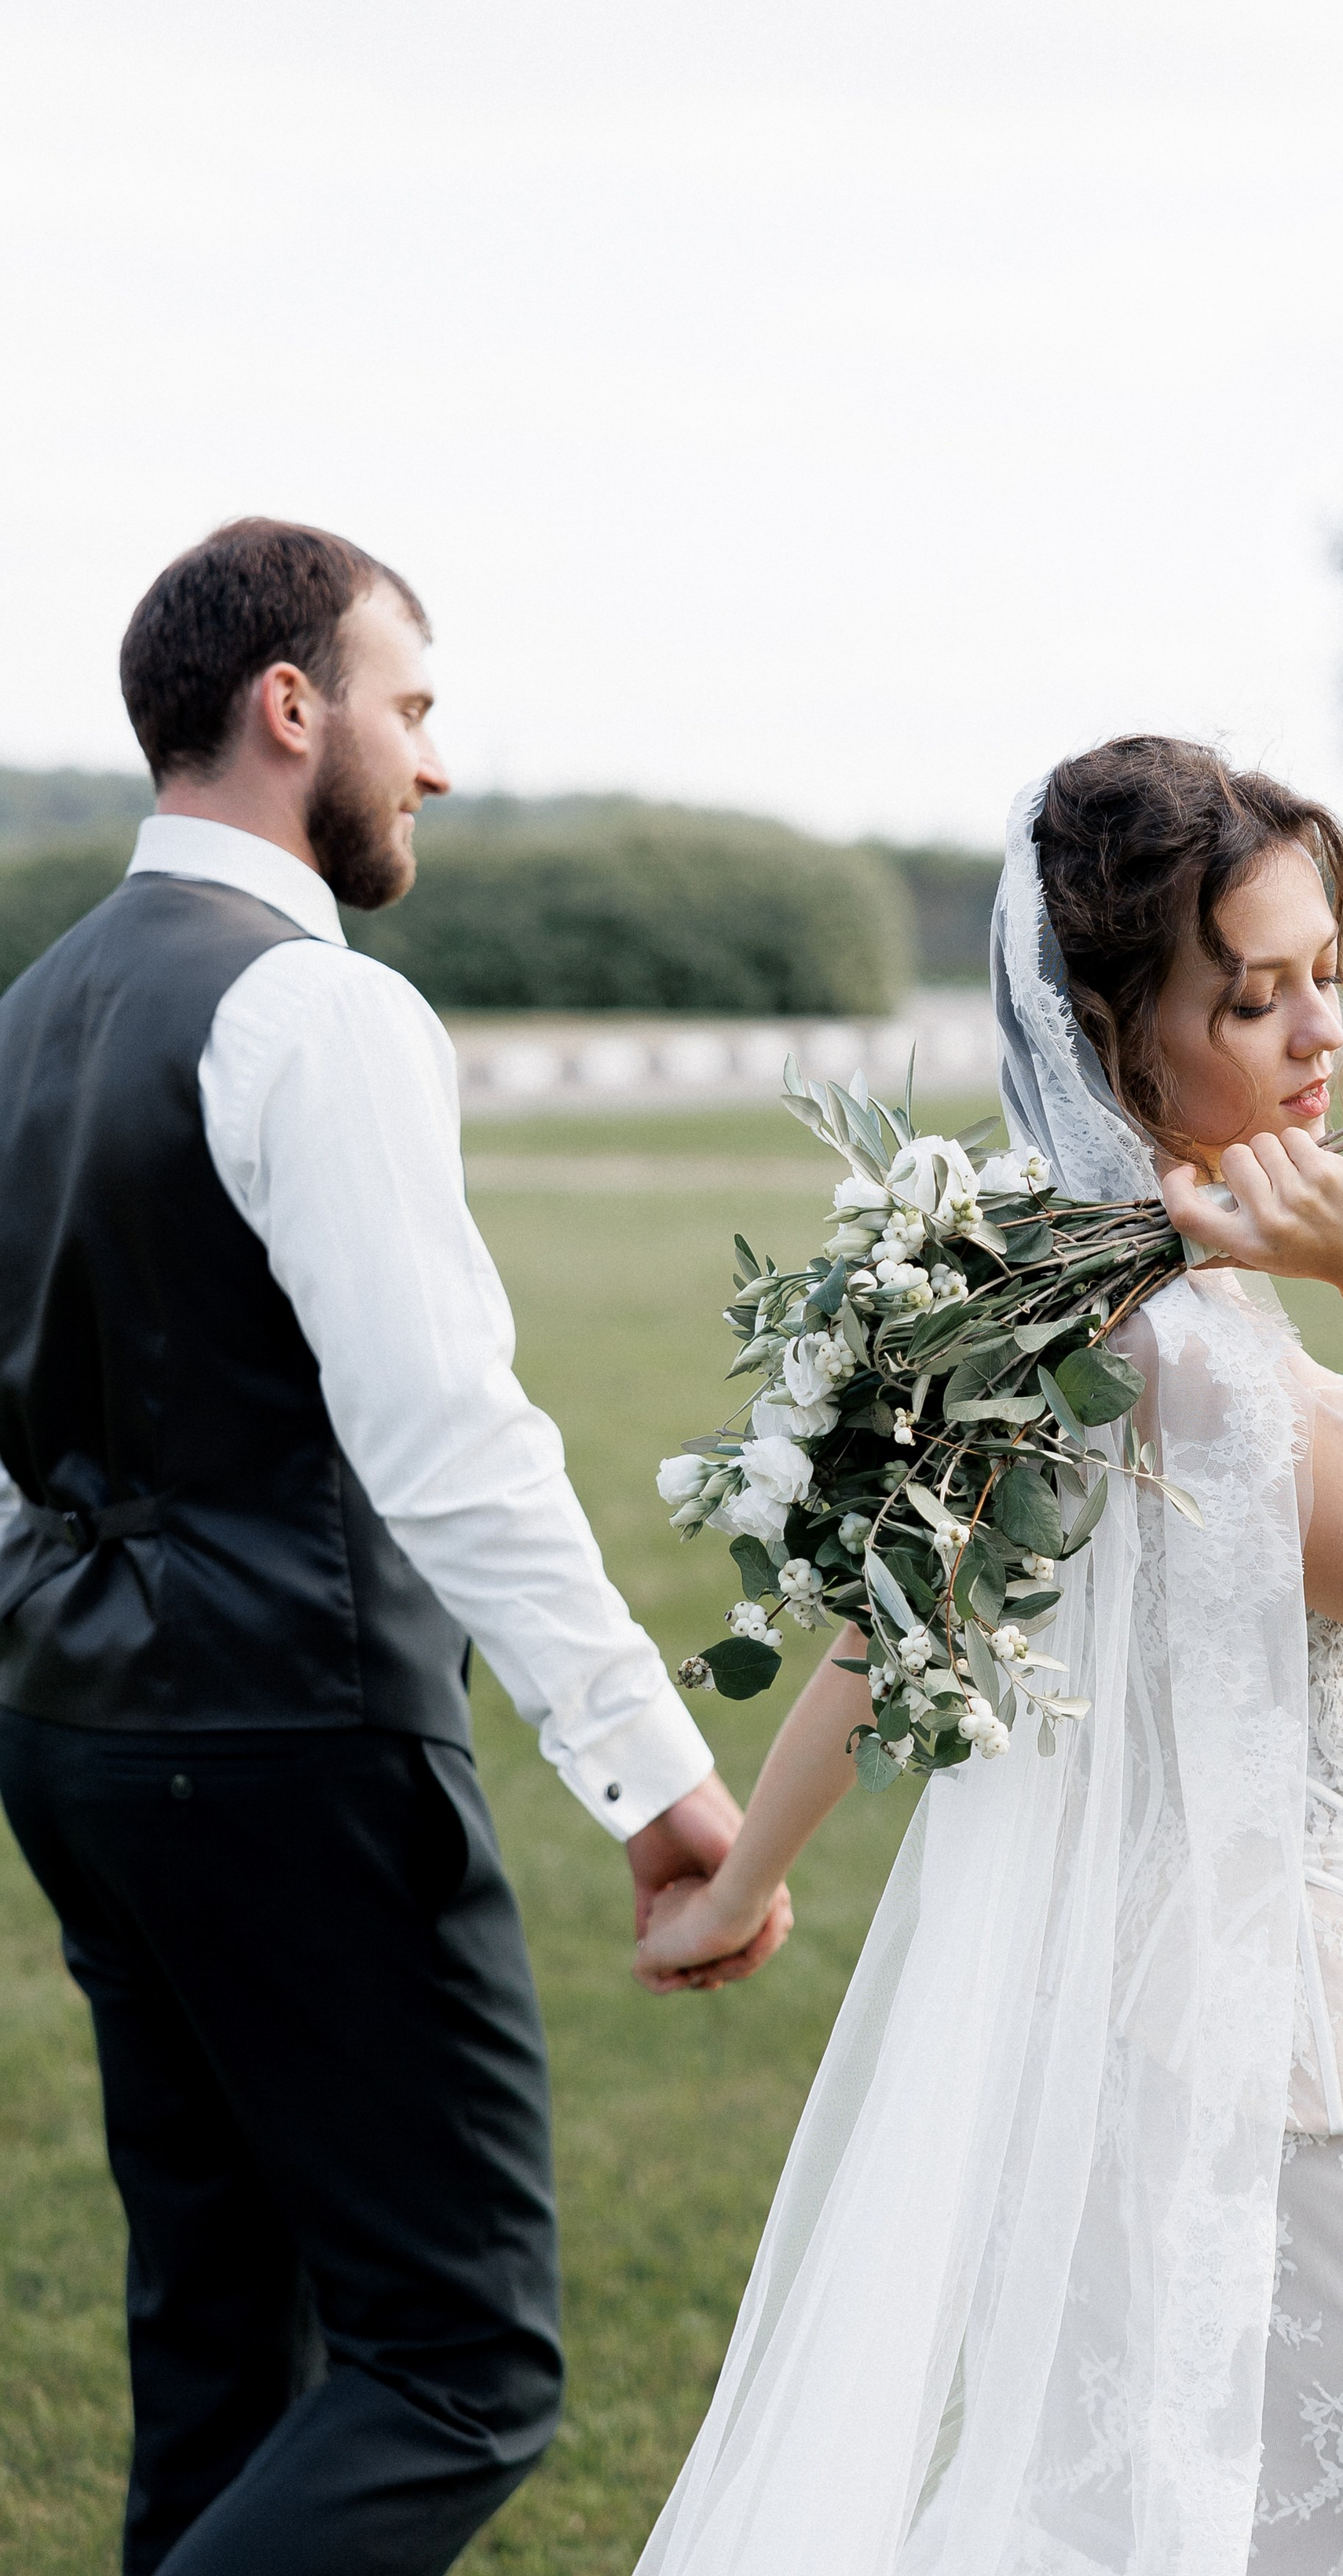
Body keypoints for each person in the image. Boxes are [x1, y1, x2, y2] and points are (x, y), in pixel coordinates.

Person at [630, 736, 1343, 2576]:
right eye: (1251, 995)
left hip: (1129, 2048)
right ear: (1106, 1019)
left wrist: (740, 1887)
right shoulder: (1191, 1370)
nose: (1320, 1036)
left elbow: (896, 1616)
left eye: (1326, 976)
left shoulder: (1050, 1280)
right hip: (1298, 2071)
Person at [0, 518, 786, 2576]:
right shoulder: (314, 1014)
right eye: (409, 705)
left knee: (219, 2343)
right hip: (289, 1743)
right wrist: (652, 1770)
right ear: (291, 706)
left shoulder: (27, 1011)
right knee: (459, 2363)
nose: (431, 762)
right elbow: (448, 1442)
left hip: (72, 1732)